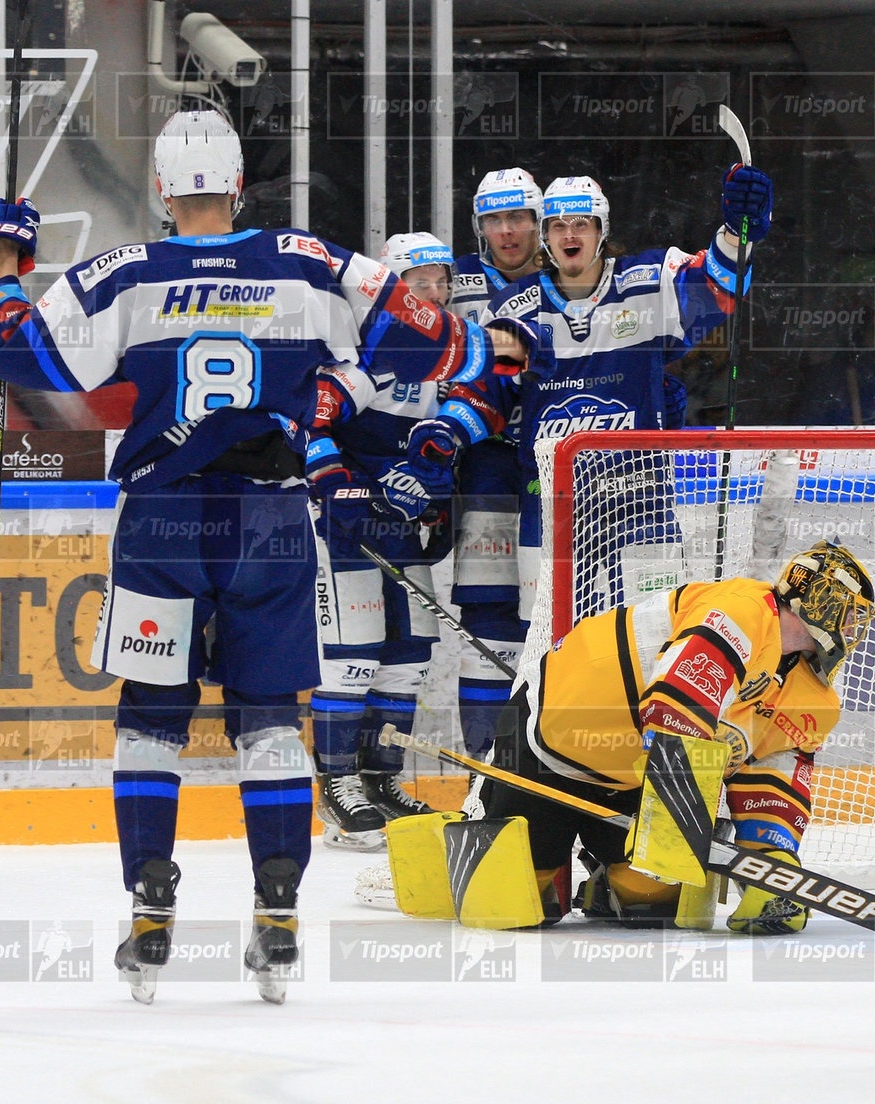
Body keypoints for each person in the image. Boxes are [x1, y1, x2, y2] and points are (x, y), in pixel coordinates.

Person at [0, 110, 531, 1003]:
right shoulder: (310, 262)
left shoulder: (127, 272)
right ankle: (277, 909)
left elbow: (13, 353)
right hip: (268, 522)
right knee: (269, 718)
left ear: (159, 190)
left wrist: (4, 262)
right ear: (237, 186)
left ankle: (150, 904)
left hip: (161, 524)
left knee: (150, 716)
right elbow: (442, 344)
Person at [407, 168, 770, 638]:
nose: (570, 234)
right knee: (549, 650)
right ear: (546, 236)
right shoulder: (516, 309)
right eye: (558, 226)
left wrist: (737, 230)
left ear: (601, 232)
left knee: (649, 638)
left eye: (582, 224)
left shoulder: (649, 284)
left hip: (640, 501)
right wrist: (447, 431)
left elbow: (718, 285)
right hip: (552, 507)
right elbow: (485, 391)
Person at [478, 541, 873, 930]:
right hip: (546, 748)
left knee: (654, 906)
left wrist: (771, 864)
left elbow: (771, 781)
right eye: (853, 615)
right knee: (507, 906)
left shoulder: (814, 698)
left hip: (632, 781)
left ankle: (605, 883)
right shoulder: (741, 609)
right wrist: (677, 813)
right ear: (823, 600)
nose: (855, 630)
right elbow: (677, 704)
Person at [310, 232, 459, 849]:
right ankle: (337, 785)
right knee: (352, 655)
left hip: (401, 526)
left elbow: (461, 431)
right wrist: (338, 485)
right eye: (414, 282)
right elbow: (303, 424)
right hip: (345, 523)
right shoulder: (357, 349)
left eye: (438, 280)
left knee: (411, 654)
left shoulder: (454, 356)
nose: (429, 293)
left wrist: (437, 488)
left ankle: (381, 778)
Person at [447, 169, 544, 760]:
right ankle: (486, 771)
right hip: (482, 466)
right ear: (479, 226)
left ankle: (555, 766)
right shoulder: (451, 281)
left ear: (539, 222)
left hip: (555, 472)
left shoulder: (571, 280)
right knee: (489, 618)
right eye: (494, 220)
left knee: (556, 615)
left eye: (518, 219)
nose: (507, 232)